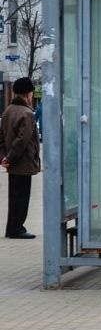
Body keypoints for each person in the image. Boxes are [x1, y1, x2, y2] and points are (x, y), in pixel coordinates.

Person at [2, 77, 41, 239]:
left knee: (14, 196)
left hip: (12, 163)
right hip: (23, 162)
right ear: (28, 93)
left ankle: (11, 228)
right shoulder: (26, 113)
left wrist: (4, 157)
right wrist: (10, 157)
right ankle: (17, 228)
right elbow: (22, 140)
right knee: (22, 197)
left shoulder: (8, 110)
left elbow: (1, 137)